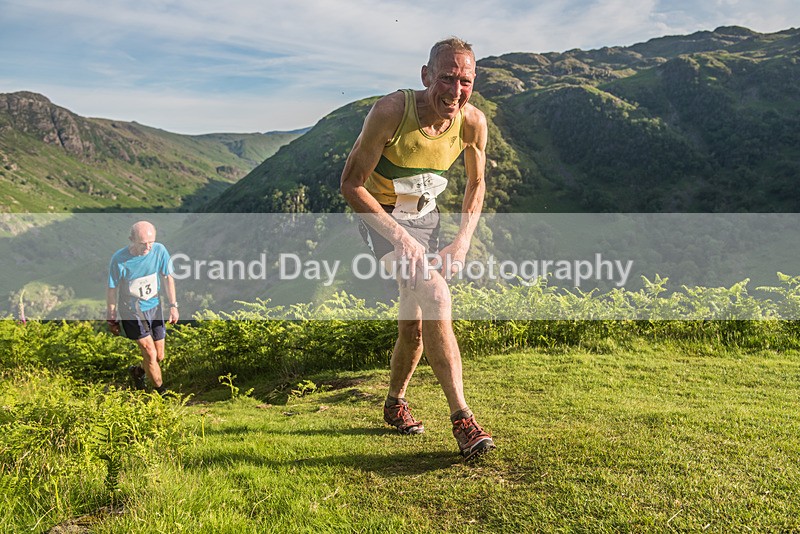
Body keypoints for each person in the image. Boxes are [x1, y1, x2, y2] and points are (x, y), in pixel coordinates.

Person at [340, 37, 495, 461]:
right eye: (446, 78)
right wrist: (400, 237)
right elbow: (350, 185)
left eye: (465, 81)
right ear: (426, 75)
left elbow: (477, 184)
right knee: (437, 295)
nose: (455, 90)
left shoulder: (473, 123)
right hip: (381, 218)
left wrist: (462, 240)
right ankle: (463, 419)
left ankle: (394, 402)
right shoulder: (391, 111)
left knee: (414, 325)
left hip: (427, 218)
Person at [107, 220, 179, 395]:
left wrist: (173, 305)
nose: (148, 247)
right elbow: (112, 289)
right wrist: (112, 317)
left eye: (151, 242)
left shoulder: (159, 250)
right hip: (131, 310)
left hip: (154, 306)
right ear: (131, 240)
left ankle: (138, 372)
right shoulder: (119, 259)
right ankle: (161, 393)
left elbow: (168, 277)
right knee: (149, 352)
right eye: (143, 243)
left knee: (159, 356)